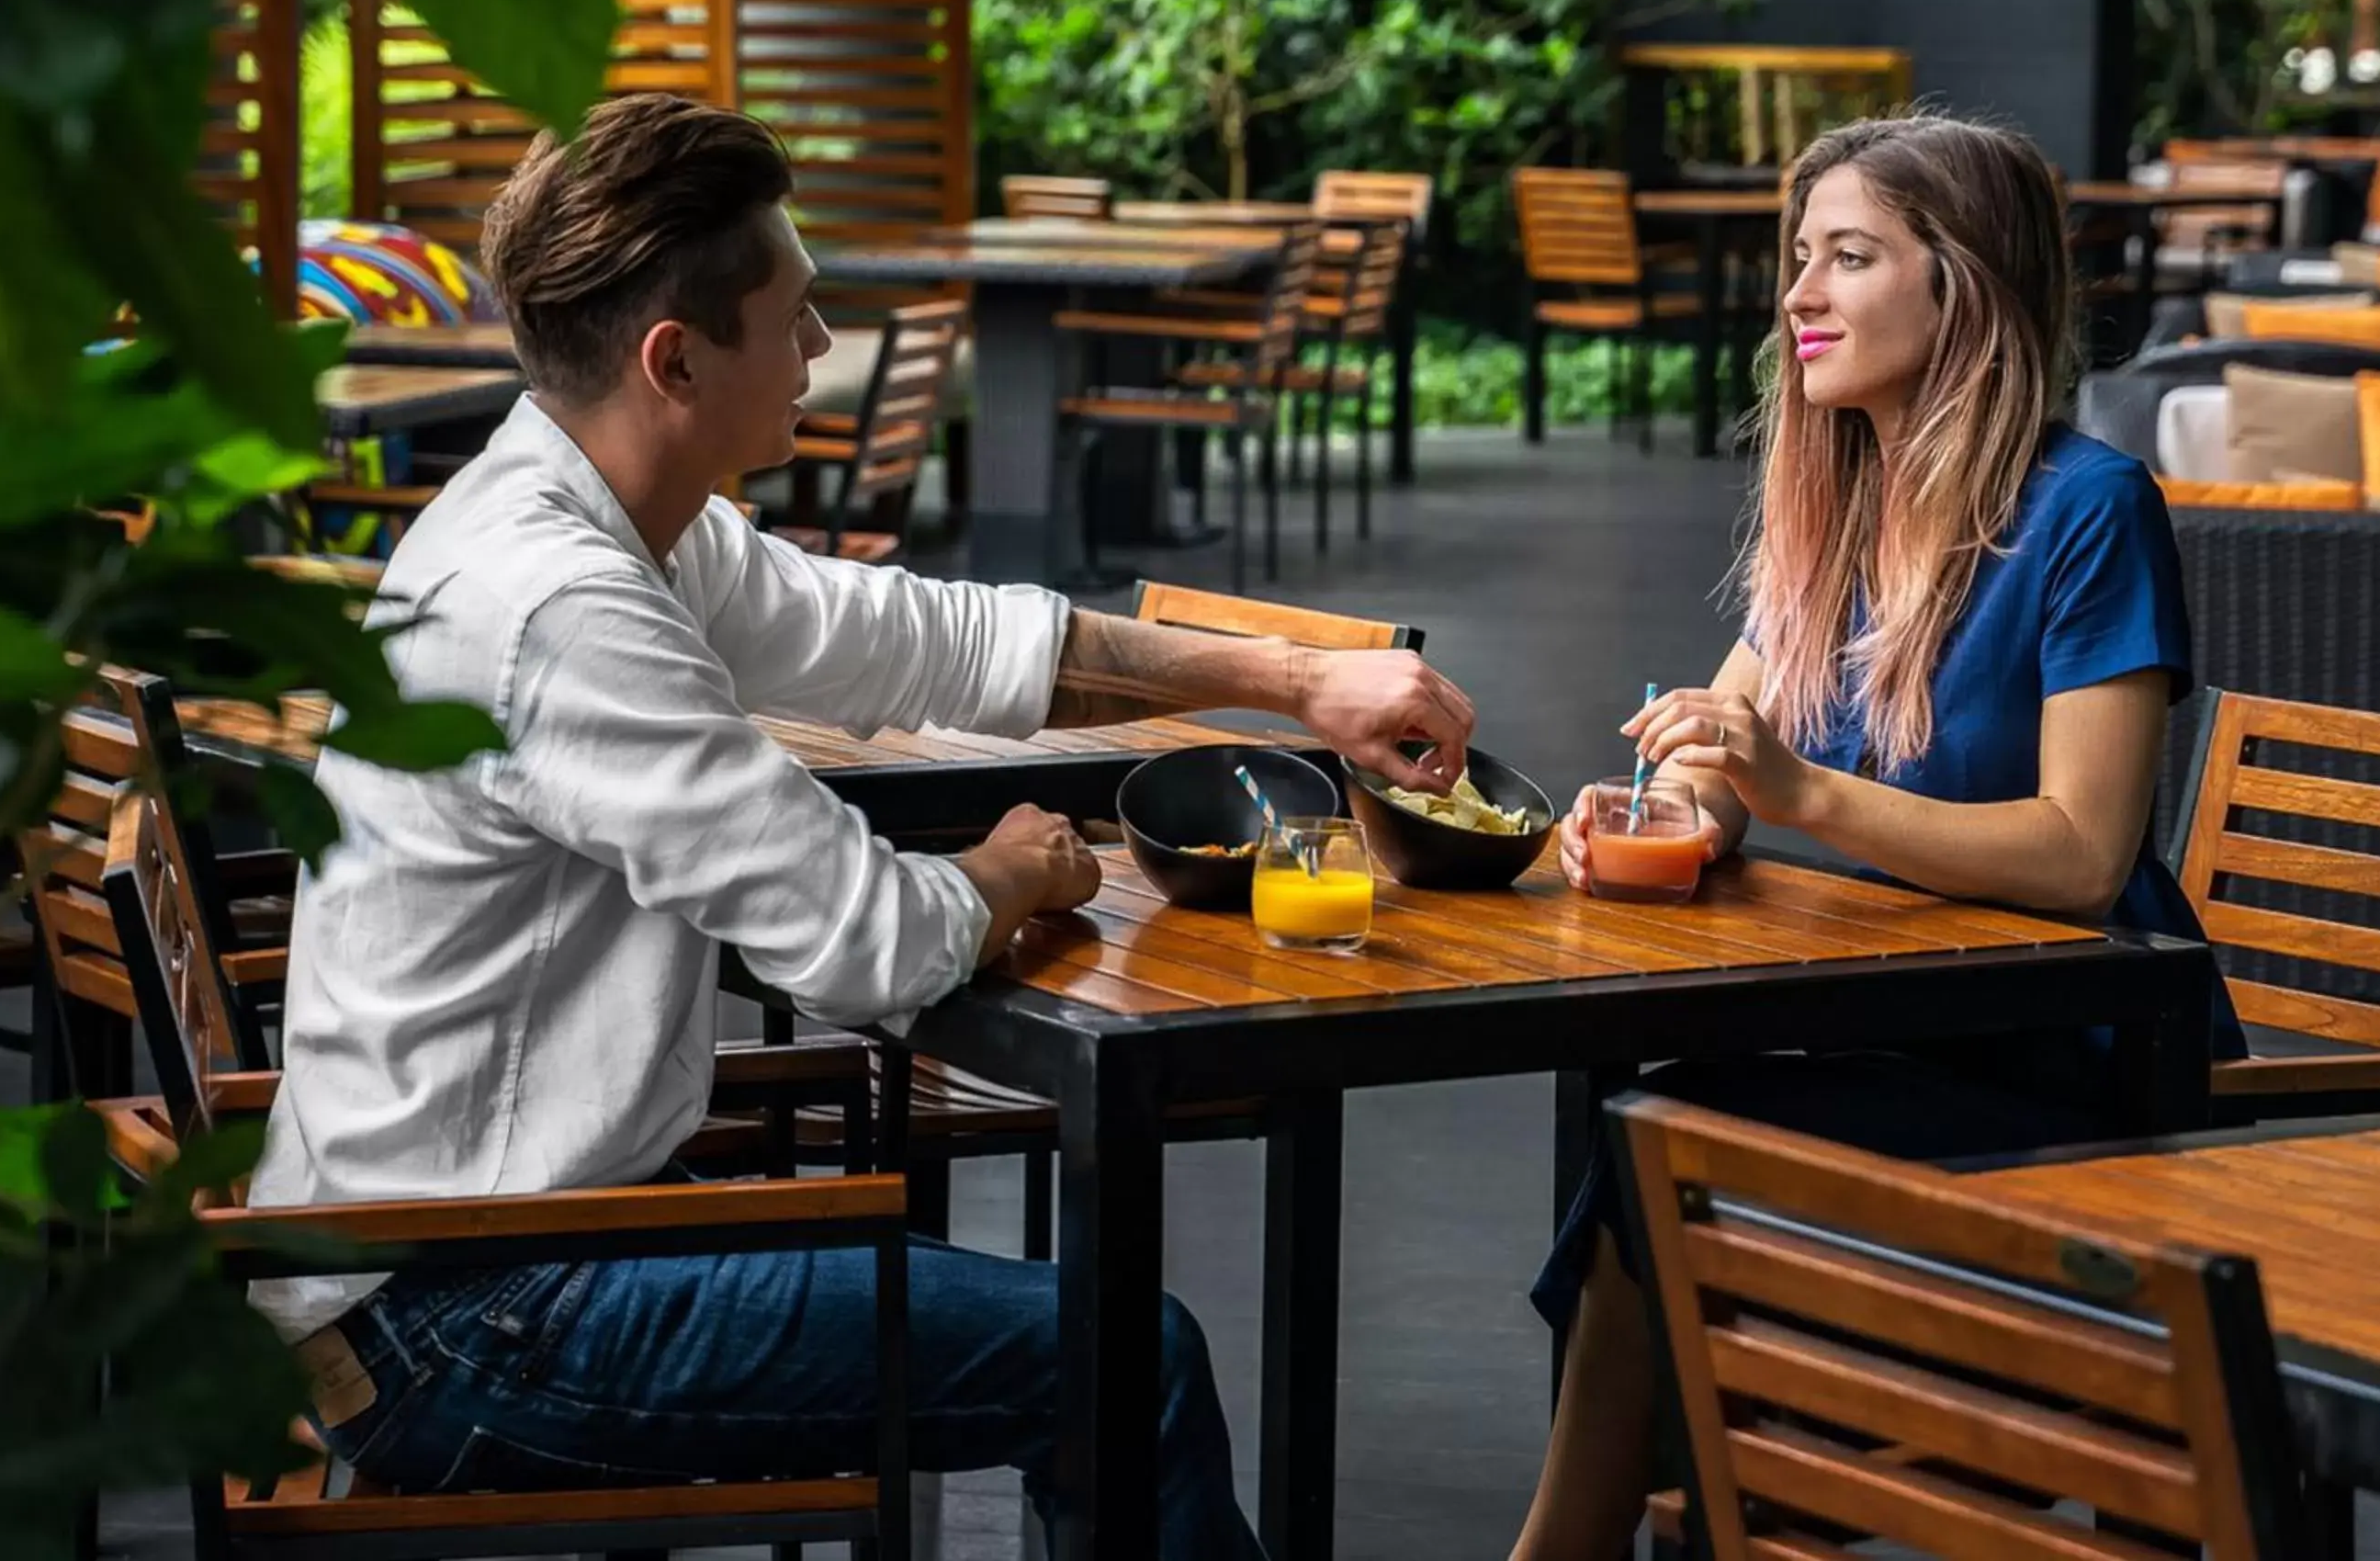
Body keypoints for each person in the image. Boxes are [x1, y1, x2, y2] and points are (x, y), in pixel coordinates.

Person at [246, 94, 1478, 1561]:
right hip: (471, 1317)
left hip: (472, 1259)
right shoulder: (562, 606)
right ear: (676, 358)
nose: (825, 349)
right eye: (799, 312)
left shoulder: (606, 524)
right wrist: (1009, 870)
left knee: (1091, 1347)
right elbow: (865, 942)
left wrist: (1294, 683)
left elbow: (933, 643)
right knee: (1123, 1359)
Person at [1508, 115, 2245, 1561]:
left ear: (1960, 289)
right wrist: (1669, 808)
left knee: (1666, 1139)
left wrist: (1799, 797)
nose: (1799, 296)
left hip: (2088, 1076)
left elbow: (2086, 857)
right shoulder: (1838, 497)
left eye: (1850, 258)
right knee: (1654, 1134)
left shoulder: (2087, 513)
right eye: (1801, 259)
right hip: (1904, 1034)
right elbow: (1727, 748)